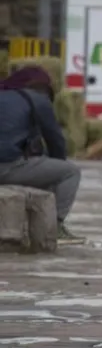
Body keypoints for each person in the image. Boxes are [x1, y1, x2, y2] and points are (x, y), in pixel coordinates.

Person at [0, 66, 84, 244]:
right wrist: (54, 165)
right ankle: (54, 227)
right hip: (6, 167)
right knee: (69, 172)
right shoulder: (38, 100)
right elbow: (56, 142)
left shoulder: (6, 96)